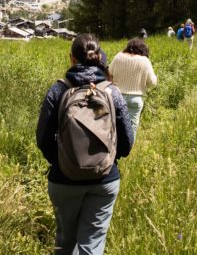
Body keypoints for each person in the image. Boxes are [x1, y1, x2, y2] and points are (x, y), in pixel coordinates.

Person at [36, 33, 134, 254]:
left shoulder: (58, 90)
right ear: (99, 57)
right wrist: (108, 158)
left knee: (64, 243)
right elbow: (127, 143)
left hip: (63, 180)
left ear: (72, 59)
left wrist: (63, 160)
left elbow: (42, 139)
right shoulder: (112, 92)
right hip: (104, 180)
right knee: (92, 244)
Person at [108, 38, 157, 139]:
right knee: (132, 128)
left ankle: (113, 150)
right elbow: (152, 83)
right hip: (135, 99)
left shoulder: (119, 56)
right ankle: (128, 150)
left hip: (116, 96)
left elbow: (109, 73)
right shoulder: (144, 60)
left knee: (114, 125)